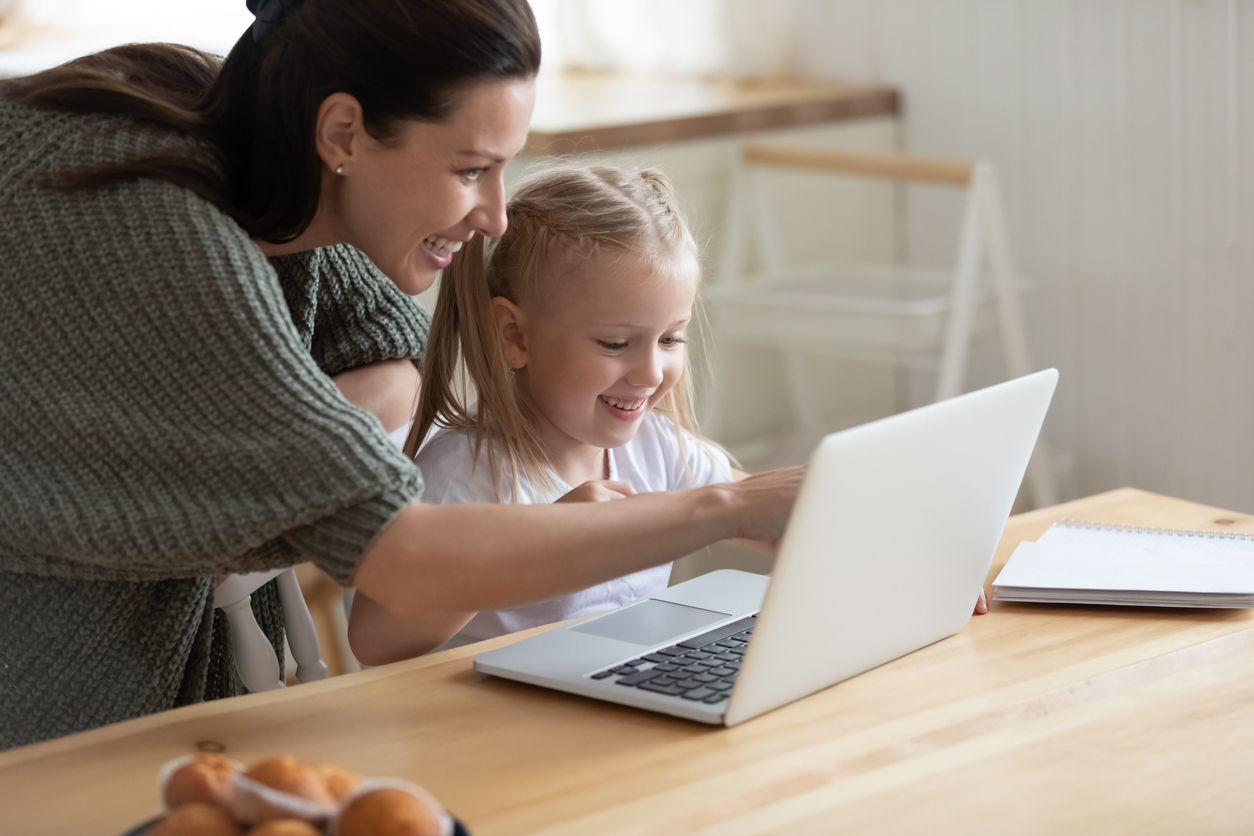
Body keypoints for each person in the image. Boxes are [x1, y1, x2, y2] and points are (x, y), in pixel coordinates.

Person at [0, 0, 801, 752]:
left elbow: (392, 358)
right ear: (344, 131)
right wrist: (724, 507)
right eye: (470, 170)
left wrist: (286, 454)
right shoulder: (160, 231)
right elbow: (403, 560)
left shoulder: (278, 159)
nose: (495, 215)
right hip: (49, 712)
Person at [349, 165, 769, 663]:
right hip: (488, 726)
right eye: (615, 343)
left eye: (670, 338)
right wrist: (548, 542)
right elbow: (374, 641)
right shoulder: (464, 475)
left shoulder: (657, 447)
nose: (651, 373)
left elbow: (763, 513)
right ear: (515, 336)